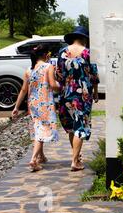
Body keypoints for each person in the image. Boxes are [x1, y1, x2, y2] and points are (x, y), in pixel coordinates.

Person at [55, 26, 99, 172]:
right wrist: (96, 92)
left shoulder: (62, 52)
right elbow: (93, 75)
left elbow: (58, 75)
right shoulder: (88, 53)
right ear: (84, 38)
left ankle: (77, 156)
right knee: (80, 125)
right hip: (82, 94)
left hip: (66, 93)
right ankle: (75, 161)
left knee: (72, 127)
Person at [12, 44, 60, 172]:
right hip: (45, 103)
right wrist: (62, 86)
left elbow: (23, 90)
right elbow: (53, 85)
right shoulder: (48, 67)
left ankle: (41, 156)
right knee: (43, 130)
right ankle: (33, 159)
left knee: (38, 128)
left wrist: (16, 107)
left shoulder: (29, 70)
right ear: (46, 55)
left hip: (32, 104)